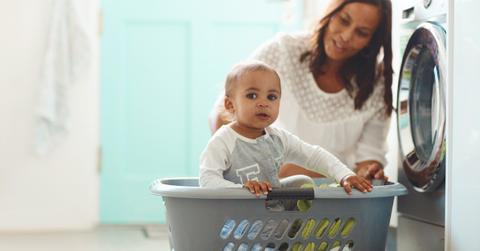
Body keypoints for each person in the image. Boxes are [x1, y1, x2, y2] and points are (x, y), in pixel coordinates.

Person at [209, 0, 393, 182]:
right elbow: (222, 116)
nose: (346, 36)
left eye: (361, 33)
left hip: (336, 196)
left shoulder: (376, 84)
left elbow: (369, 157)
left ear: (372, 40)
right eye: (343, 20)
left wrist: (369, 173)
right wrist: (255, 169)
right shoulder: (282, 52)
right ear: (330, 13)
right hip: (270, 190)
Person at [199, 61, 372, 196]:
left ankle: (295, 230)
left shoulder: (277, 139)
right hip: (234, 223)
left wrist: (345, 175)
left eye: (272, 97)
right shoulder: (224, 141)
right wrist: (242, 189)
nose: (263, 103)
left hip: (272, 218)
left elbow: (313, 155)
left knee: (302, 183)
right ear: (230, 104)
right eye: (252, 95)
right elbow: (207, 180)